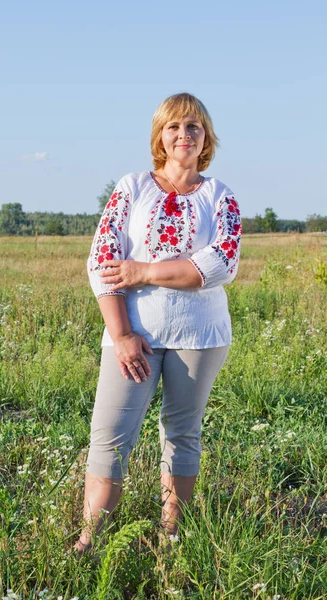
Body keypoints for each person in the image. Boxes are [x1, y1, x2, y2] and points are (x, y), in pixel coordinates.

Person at [73, 92, 242, 554]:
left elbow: (220, 264)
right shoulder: (133, 187)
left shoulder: (219, 196)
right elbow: (103, 260)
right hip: (134, 335)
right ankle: (92, 539)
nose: (183, 135)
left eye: (193, 127)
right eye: (173, 127)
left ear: (206, 137)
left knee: (182, 431)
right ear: (160, 137)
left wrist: (143, 270)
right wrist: (123, 334)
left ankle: (172, 534)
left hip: (199, 335)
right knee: (110, 433)